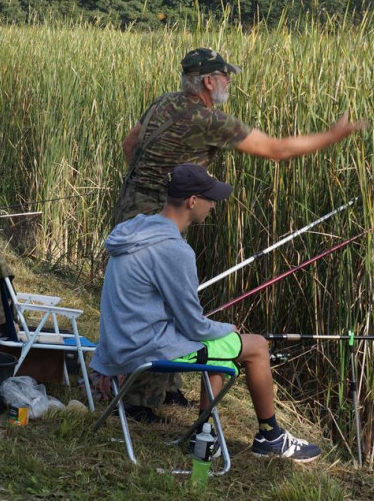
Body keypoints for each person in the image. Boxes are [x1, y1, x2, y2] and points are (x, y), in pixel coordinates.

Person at [92, 163, 322, 461]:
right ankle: (271, 436)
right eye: (210, 199)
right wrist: (228, 328)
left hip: (117, 345)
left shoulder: (135, 230)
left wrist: (217, 330)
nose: (213, 205)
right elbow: (194, 328)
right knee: (257, 346)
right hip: (143, 350)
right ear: (192, 201)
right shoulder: (175, 250)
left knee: (217, 347)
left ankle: (205, 434)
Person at [113, 48, 366, 226]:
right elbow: (276, 150)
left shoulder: (164, 101)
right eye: (226, 76)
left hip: (128, 206)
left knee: (128, 280)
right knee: (154, 289)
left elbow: (130, 143)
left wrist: (144, 181)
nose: (230, 82)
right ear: (209, 81)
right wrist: (332, 135)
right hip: (161, 216)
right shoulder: (211, 121)